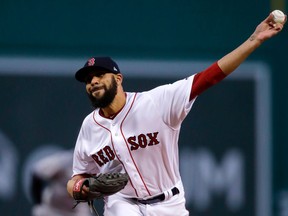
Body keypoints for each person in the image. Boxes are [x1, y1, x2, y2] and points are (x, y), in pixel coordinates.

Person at [67, 12, 286, 215]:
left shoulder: (158, 102)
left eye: (99, 75)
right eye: (88, 80)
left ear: (118, 79)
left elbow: (209, 77)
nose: (93, 81)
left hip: (168, 204)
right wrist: (80, 187)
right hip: (122, 204)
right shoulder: (89, 126)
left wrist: (254, 40)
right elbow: (78, 176)